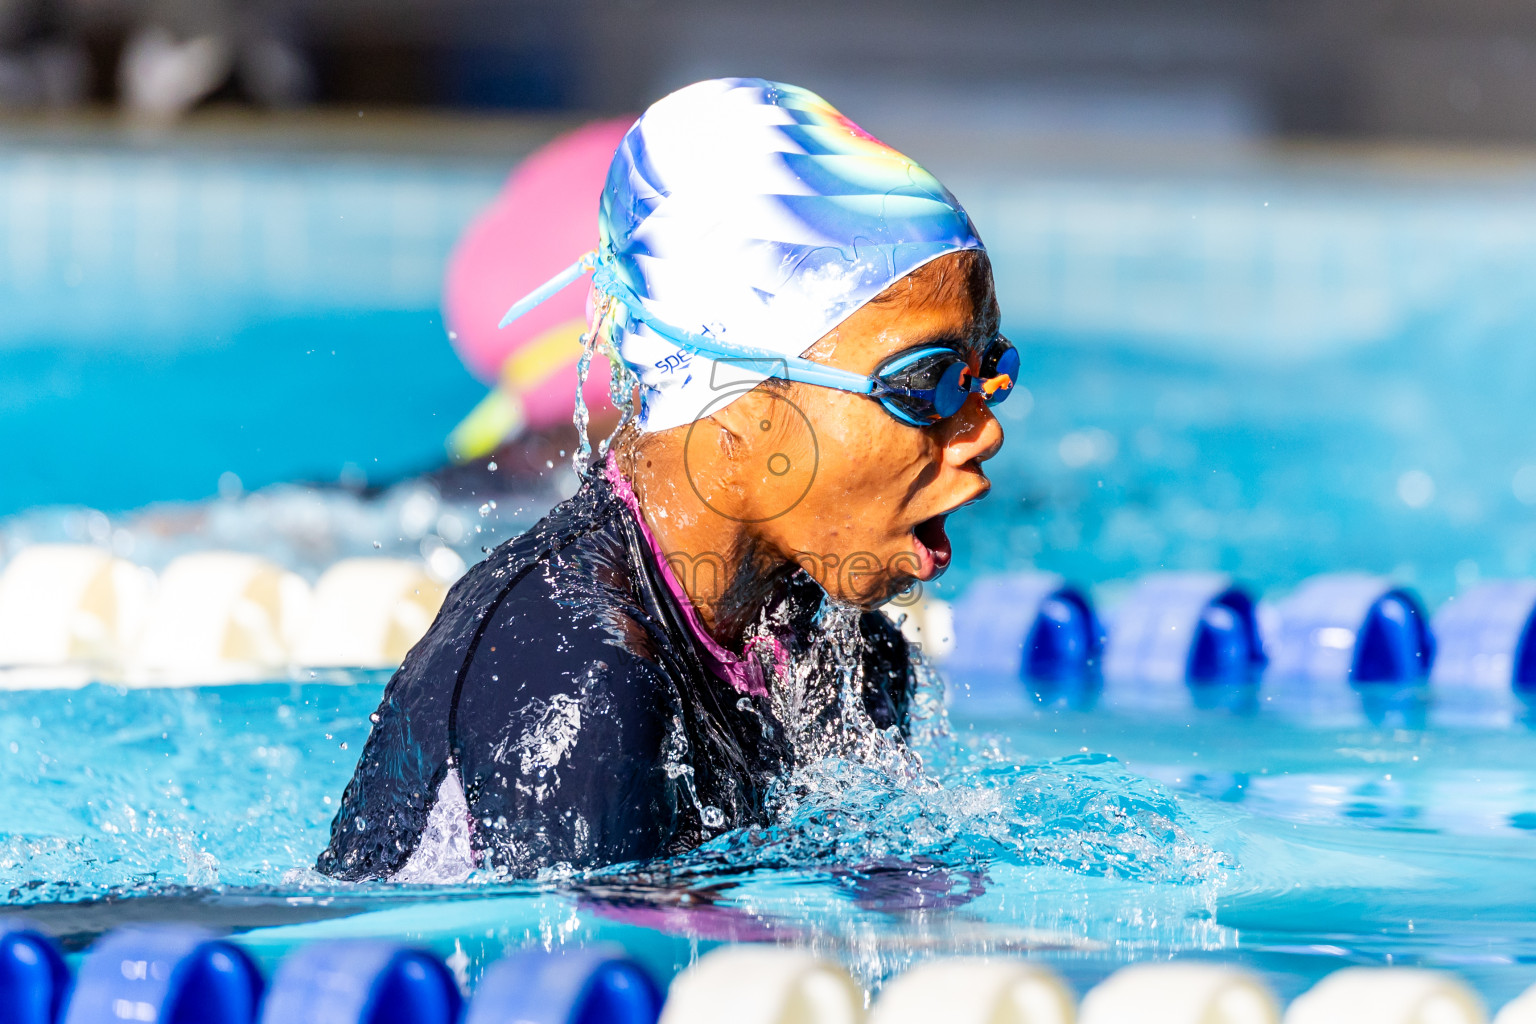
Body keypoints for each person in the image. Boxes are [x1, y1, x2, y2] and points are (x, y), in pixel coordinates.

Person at [317, 78, 1013, 882]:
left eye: (989, 372)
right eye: (927, 383)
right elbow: (578, 990)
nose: (986, 429)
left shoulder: (845, 657)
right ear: (731, 394)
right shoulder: (582, 679)